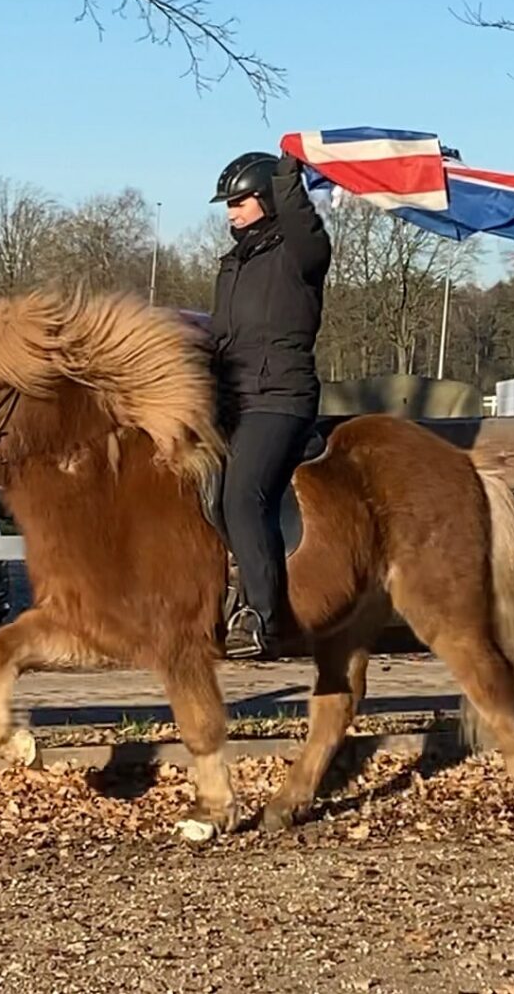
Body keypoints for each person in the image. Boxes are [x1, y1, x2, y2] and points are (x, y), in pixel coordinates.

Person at [208, 149, 332, 657]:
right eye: (228, 204)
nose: (230, 212)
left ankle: (263, 616)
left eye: (239, 201)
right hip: (236, 399)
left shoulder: (300, 253)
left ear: (268, 198)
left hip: (281, 398)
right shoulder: (233, 265)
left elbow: (305, 227)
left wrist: (289, 177)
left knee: (243, 497)